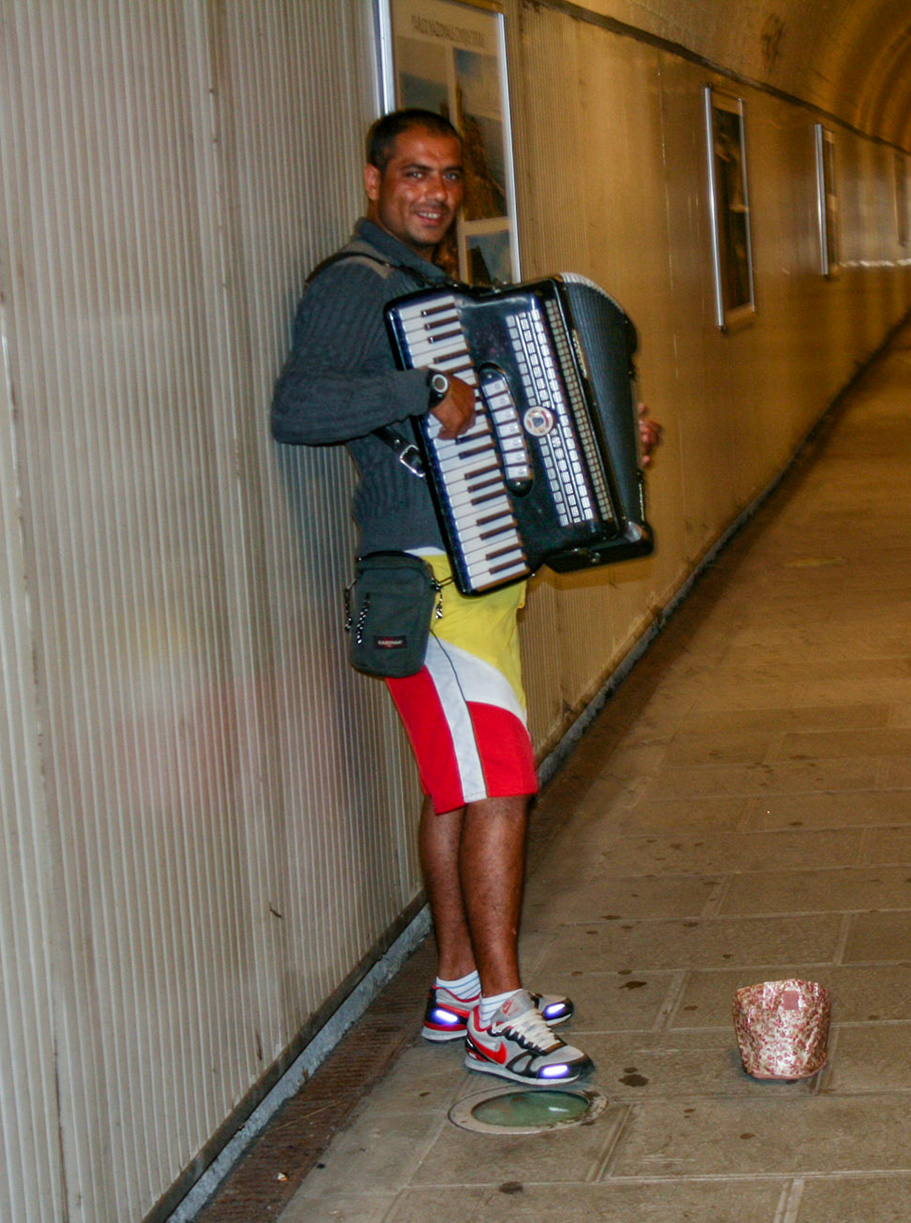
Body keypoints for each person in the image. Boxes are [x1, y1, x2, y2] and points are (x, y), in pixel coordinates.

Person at [270, 109, 656, 1087]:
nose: (433, 193)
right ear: (373, 181)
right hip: (427, 579)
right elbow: (298, 407)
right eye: (413, 174)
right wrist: (418, 385)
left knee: (459, 787)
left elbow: (504, 433)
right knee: (501, 786)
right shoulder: (353, 287)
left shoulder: (445, 288)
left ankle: (454, 983)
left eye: (447, 176)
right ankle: (501, 1010)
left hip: (478, 576)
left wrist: (610, 439)